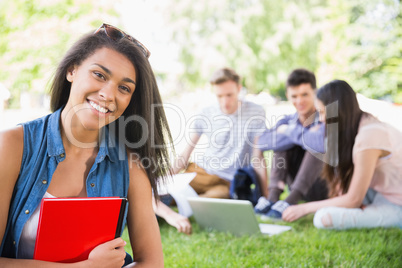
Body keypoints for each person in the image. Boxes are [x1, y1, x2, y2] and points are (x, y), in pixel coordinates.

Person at [0, 23, 172, 267]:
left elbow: (151, 262)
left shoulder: (130, 165)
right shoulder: (12, 146)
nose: (108, 94)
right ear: (72, 70)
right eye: (99, 75)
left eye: (124, 88)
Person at [153, 67, 267, 234]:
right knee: (156, 193)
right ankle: (163, 207)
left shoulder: (256, 112)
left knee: (201, 206)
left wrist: (266, 198)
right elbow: (186, 153)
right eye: (219, 96)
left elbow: (258, 157)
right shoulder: (207, 112)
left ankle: (171, 207)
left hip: (228, 181)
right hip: (200, 172)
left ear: (239, 89)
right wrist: (166, 178)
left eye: (229, 95)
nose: (224, 102)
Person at [282, 80, 402, 229]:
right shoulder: (358, 125)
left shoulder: (369, 135)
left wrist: (303, 208)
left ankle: (375, 213)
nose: (320, 119)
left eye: (322, 112)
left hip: (397, 204)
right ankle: (371, 211)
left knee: (323, 218)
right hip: (380, 194)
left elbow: (353, 200)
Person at [254, 68, 328, 219]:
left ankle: (290, 200)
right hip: (294, 181)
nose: (299, 101)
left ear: (315, 93)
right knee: (281, 145)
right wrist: (301, 134)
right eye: (294, 96)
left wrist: (288, 132)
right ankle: (273, 198)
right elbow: (262, 142)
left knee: (314, 145)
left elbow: (320, 144)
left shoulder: (323, 118)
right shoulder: (287, 121)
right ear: (287, 95)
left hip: (322, 187)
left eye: (305, 95)